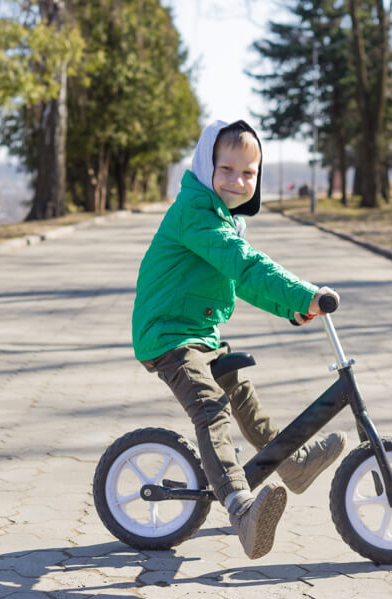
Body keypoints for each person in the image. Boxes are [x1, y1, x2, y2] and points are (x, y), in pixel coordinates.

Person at [132, 119, 346, 560]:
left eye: (248, 173)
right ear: (204, 166)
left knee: (241, 395)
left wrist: (292, 308)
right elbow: (246, 266)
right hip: (168, 335)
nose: (237, 180)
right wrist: (304, 294)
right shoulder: (196, 213)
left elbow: (241, 280)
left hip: (198, 334)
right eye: (226, 169)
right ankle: (240, 508)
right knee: (211, 407)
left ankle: (294, 465)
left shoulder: (222, 219)